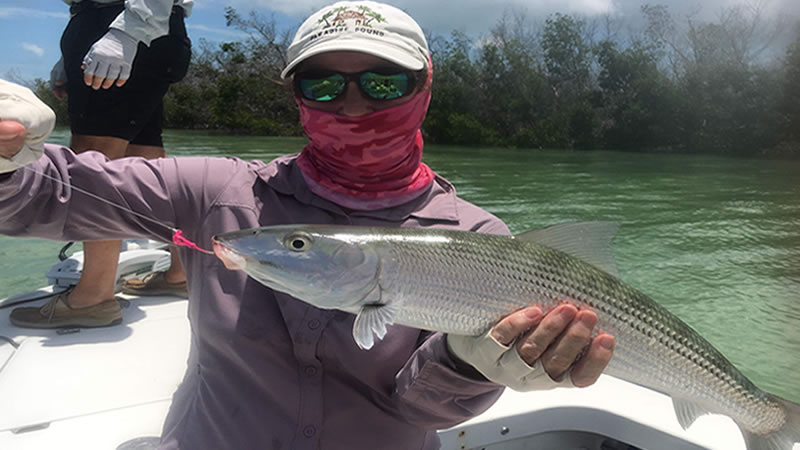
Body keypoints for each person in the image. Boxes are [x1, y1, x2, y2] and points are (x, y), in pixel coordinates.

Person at [0, 2, 615, 448]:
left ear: (424, 85)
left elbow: (423, 409)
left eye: (383, 81)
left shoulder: (478, 240)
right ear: (297, 95)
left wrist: (470, 363)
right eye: (322, 84)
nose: (352, 104)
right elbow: (39, 199)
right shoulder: (219, 191)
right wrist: (12, 152)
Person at [9, 0, 195, 329]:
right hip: (147, 27)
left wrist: (123, 32)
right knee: (146, 159)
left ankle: (93, 296)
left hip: (124, 21)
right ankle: (180, 272)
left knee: (92, 162)